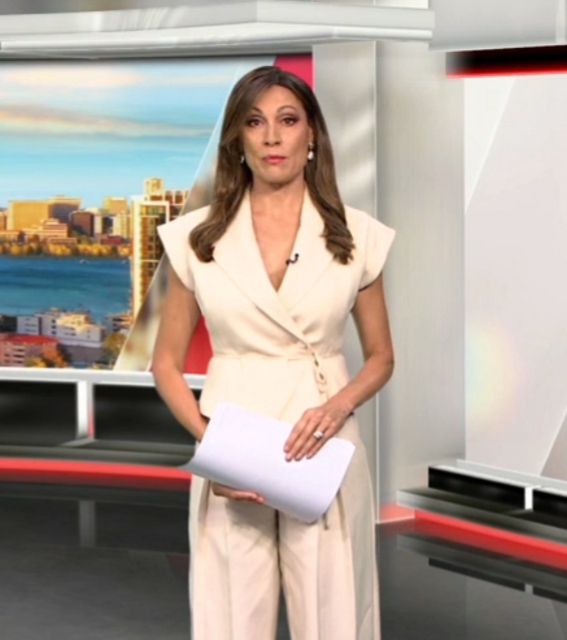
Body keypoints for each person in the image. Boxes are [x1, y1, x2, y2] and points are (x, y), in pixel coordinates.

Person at [152, 65, 396, 640]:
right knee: (230, 620)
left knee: (336, 617)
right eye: (254, 122)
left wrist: (336, 409)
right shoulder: (196, 238)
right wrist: (214, 447)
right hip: (233, 441)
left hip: (323, 442)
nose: (271, 137)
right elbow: (164, 363)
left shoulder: (357, 235)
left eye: (287, 120)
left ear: (311, 135)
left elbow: (382, 356)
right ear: (236, 139)